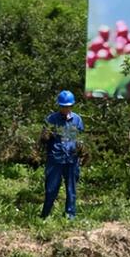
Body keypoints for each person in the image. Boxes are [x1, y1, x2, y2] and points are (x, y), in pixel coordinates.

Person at [39, 90, 84, 220]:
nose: (65, 109)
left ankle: (70, 216)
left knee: (71, 190)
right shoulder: (51, 119)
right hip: (55, 160)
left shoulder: (77, 120)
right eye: (63, 106)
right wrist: (47, 135)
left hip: (71, 160)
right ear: (59, 106)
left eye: (68, 106)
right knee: (51, 189)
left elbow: (81, 139)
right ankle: (45, 215)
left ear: (71, 106)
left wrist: (81, 152)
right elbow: (43, 140)